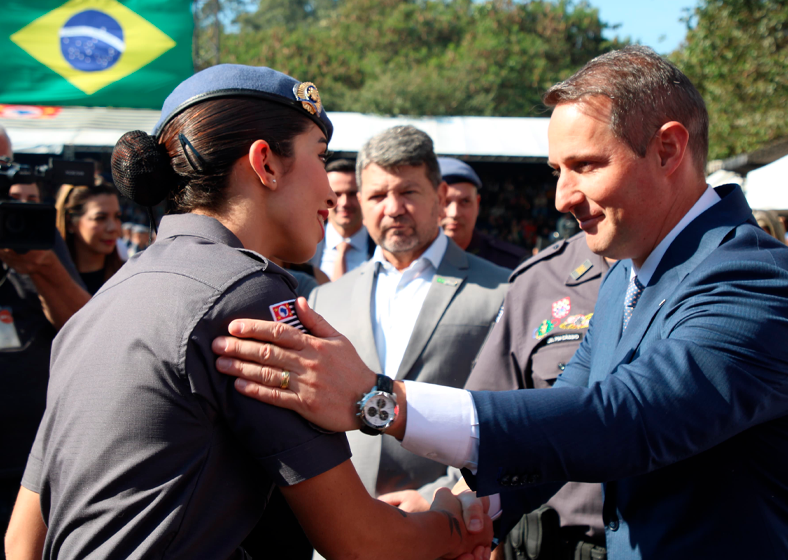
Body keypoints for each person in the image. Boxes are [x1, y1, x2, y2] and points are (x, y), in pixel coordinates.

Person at [211, 46, 788, 559]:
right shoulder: (622, 280)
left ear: (667, 149)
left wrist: (380, 400)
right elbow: (567, 411)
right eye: (557, 171)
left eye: (585, 166)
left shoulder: (754, 277)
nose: (563, 197)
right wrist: (461, 507)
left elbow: (625, 418)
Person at [5, 65, 492, 560]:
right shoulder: (248, 295)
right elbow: (362, 541)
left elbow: (21, 541)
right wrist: (455, 528)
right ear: (266, 164)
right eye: (319, 158)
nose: (329, 192)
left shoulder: (105, 301)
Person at [307, 126, 509, 524]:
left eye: (408, 192)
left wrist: (445, 496)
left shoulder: (502, 290)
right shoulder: (324, 299)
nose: (394, 207)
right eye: (379, 195)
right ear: (361, 203)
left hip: (447, 524)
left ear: (440, 197)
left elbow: (507, 416)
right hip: (340, 528)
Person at [463, 231, 608, 559]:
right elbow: (486, 431)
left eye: (585, 174)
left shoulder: (713, 273)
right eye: (558, 176)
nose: (563, 198)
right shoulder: (540, 279)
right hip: (547, 546)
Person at [439, 157, 528, 269]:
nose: (454, 213)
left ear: (477, 204)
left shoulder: (512, 265)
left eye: (465, 201)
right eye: (444, 202)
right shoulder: (412, 261)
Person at [310, 158, 374, 280]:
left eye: (352, 194)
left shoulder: (382, 247)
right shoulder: (305, 246)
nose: (344, 203)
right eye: (336, 194)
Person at [55, 184, 124, 295]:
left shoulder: (129, 278)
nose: (113, 228)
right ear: (70, 222)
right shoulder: (49, 279)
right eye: (100, 218)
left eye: (117, 217)